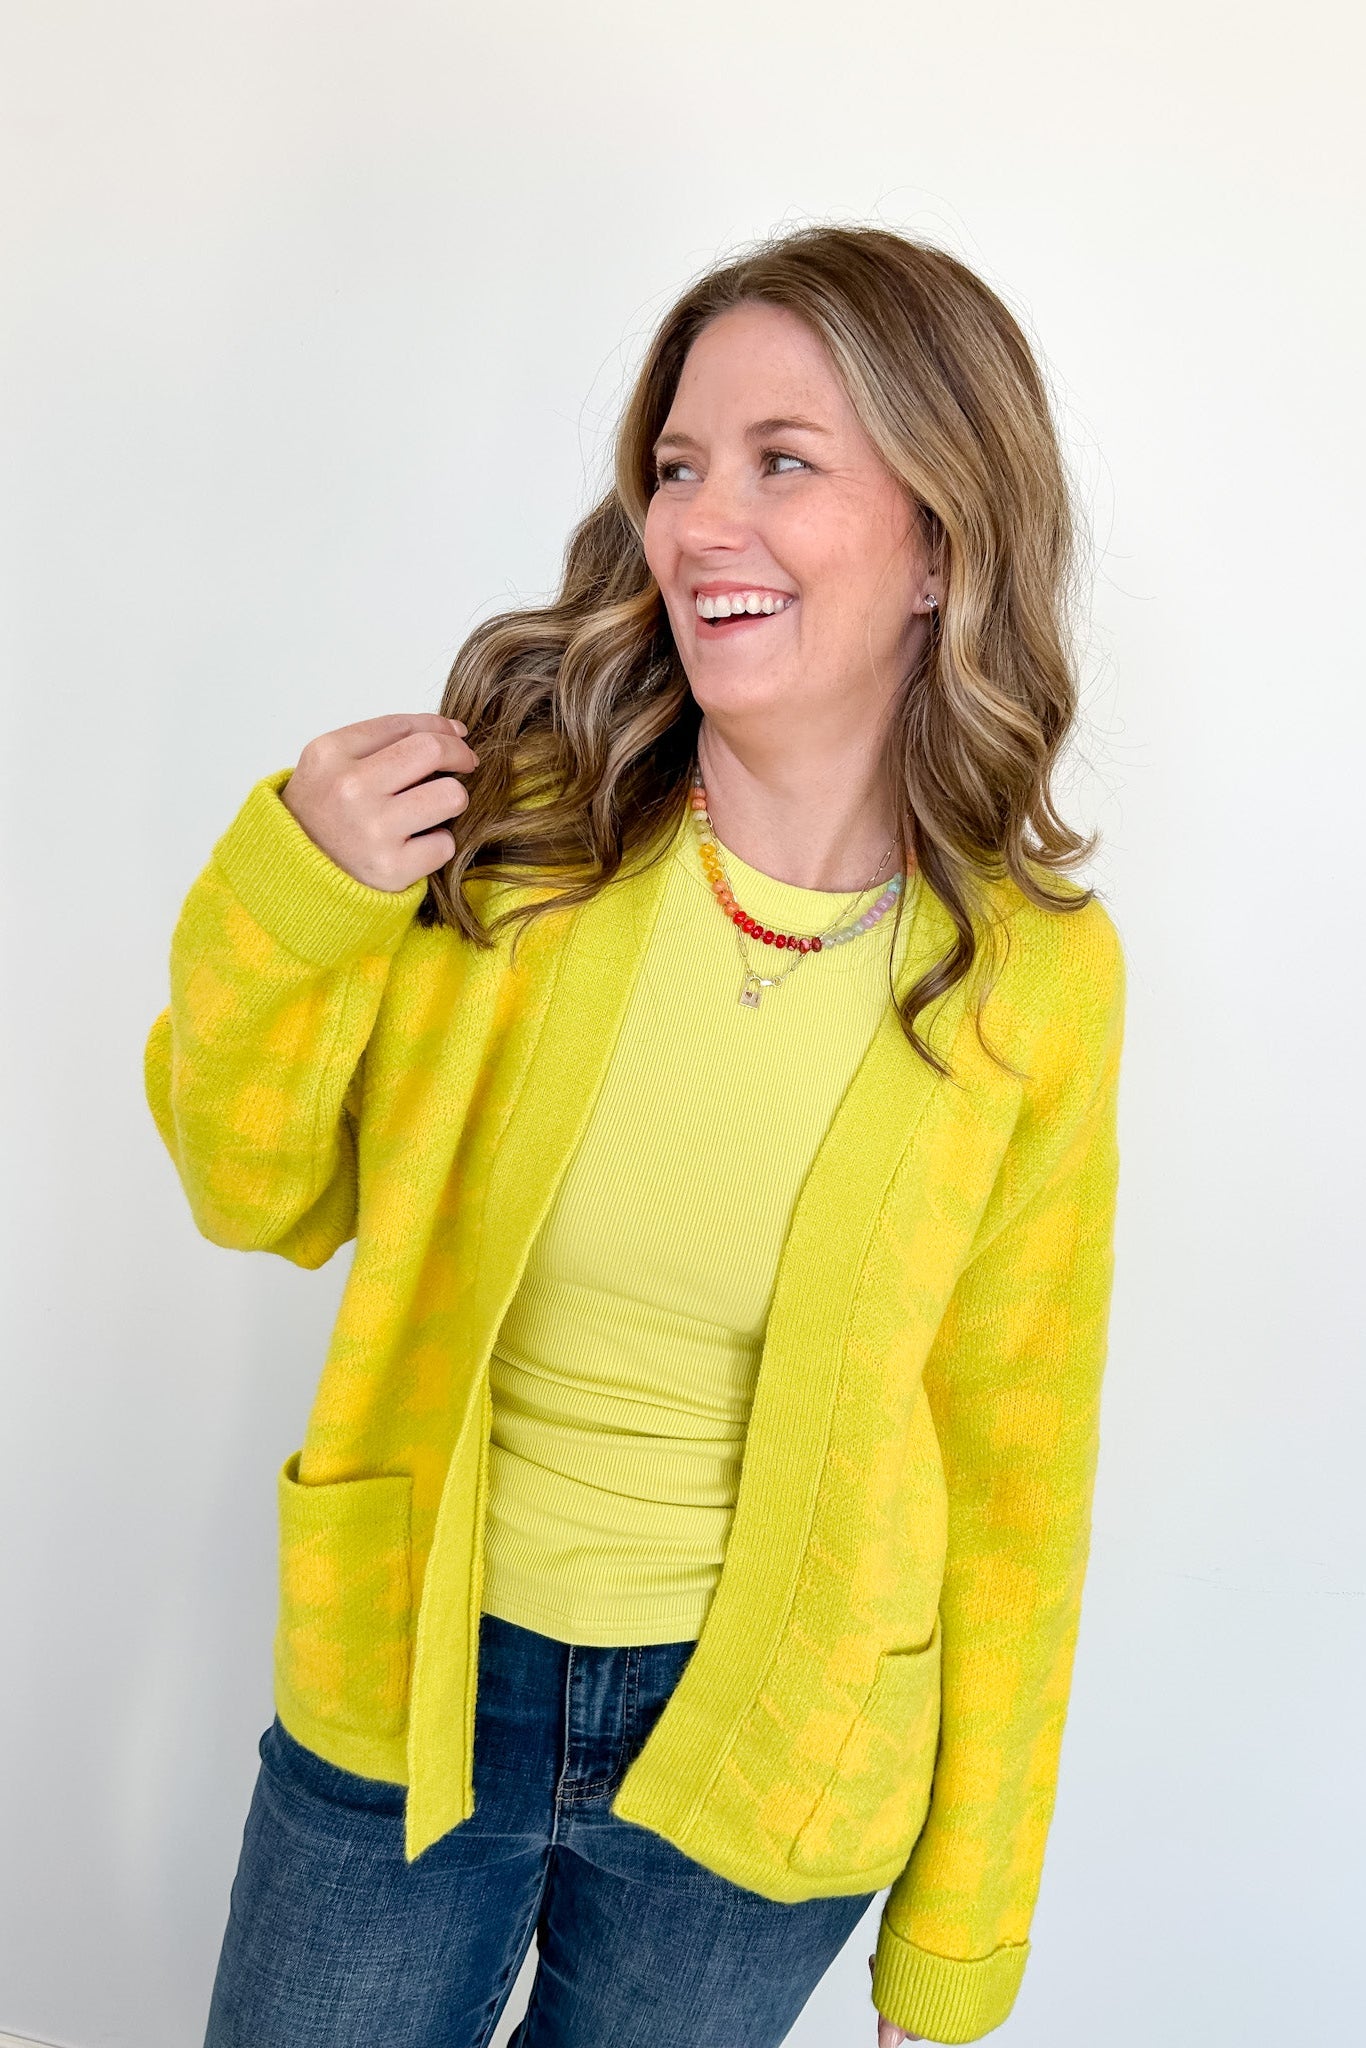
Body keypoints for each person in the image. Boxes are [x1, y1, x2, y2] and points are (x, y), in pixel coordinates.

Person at [145, 223, 1125, 2048]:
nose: (698, 523)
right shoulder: (518, 839)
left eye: (782, 462)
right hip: (419, 1689)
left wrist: (963, 1929)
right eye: (677, 466)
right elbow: (252, 1190)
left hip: (774, 1756)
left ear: (938, 540)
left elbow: (1015, 1464)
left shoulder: (1032, 975)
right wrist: (293, 892)